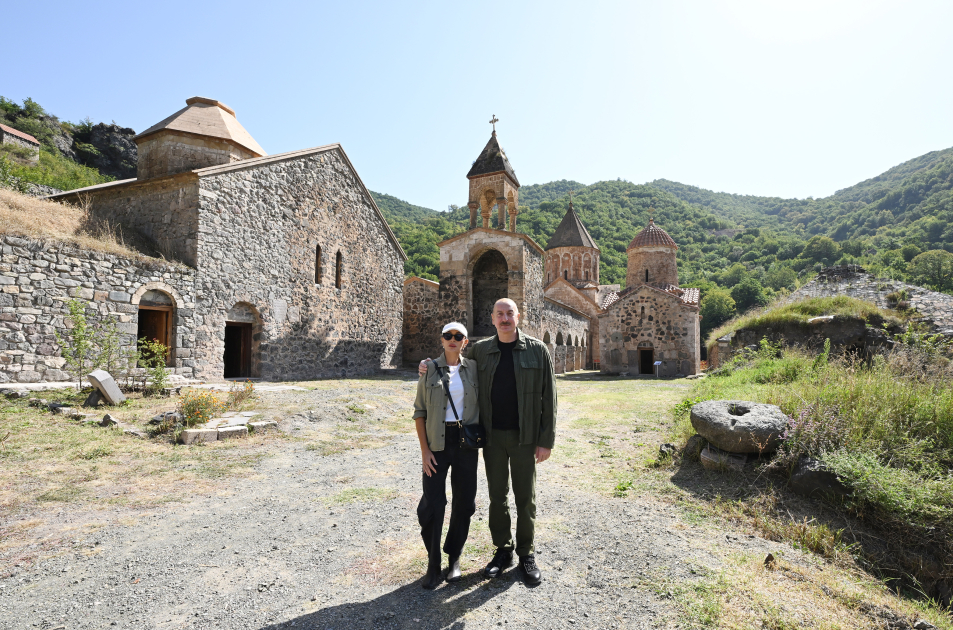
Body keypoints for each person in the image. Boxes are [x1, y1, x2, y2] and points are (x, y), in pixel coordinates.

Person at [418, 298, 556, 586]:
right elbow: (453, 357)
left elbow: (549, 398)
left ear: (518, 316)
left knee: (525, 498)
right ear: (492, 318)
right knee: (497, 497)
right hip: (491, 436)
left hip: (525, 437)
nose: (504, 319)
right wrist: (428, 364)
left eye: (509, 314)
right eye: (499, 314)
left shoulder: (538, 350)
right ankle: (503, 551)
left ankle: (526, 554)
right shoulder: (481, 350)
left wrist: (546, 440)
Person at [412, 322, 481, 590]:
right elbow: (419, 411)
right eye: (447, 335)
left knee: (464, 503)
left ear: (465, 341)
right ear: (441, 340)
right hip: (437, 444)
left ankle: (454, 557)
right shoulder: (428, 368)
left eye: (458, 336)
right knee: (433, 504)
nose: (452, 340)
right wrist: (424, 451)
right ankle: (433, 562)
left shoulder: (474, 368)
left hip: (465, 444)